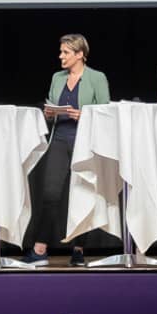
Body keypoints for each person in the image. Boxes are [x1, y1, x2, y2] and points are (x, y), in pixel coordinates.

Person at [26, 34, 110, 266]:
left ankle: (79, 250)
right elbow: (51, 105)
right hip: (60, 140)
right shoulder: (57, 77)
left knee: (83, 194)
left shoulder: (96, 78)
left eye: (65, 52)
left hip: (85, 142)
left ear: (80, 54)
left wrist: (84, 115)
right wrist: (49, 113)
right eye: (61, 51)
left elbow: (105, 113)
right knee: (50, 194)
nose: (60, 56)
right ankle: (40, 249)